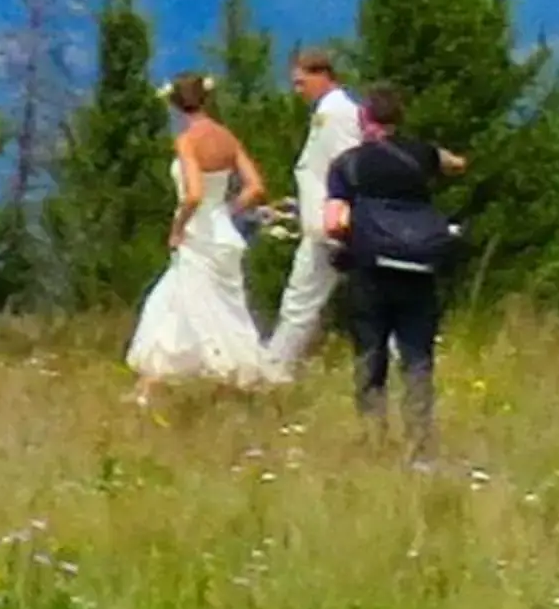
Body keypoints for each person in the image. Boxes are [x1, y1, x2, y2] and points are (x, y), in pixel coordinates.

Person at [320, 87, 465, 458]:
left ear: (364, 119)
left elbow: (333, 223)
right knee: (417, 355)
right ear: (399, 118)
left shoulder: (347, 165)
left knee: (370, 353)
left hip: (371, 270)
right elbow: (455, 164)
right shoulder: (422, 156)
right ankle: (420, 442)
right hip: (419, 268)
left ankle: (374, 439)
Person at [125, 71, 283, 389]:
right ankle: (228, 371)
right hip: (223, 229)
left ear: (175, 106)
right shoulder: (227, 137)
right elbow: (255, 187)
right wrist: (227, 209)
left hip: (198, 232)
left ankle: (165, 375)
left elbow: (194, 193)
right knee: (223, 308)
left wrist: (178, 227)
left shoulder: (187, 141)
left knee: (180, 303)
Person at [264, 45, 364, 375]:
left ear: (322, 76)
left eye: (301, 82)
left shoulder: (336, 114)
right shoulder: (329, 112)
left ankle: (275, 368)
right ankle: (275, 365)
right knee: (306, 299)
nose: (298, 91)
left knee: (301, 300)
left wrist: (339, 213)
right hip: (323, 222)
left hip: (331, 225)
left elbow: (346, 165)